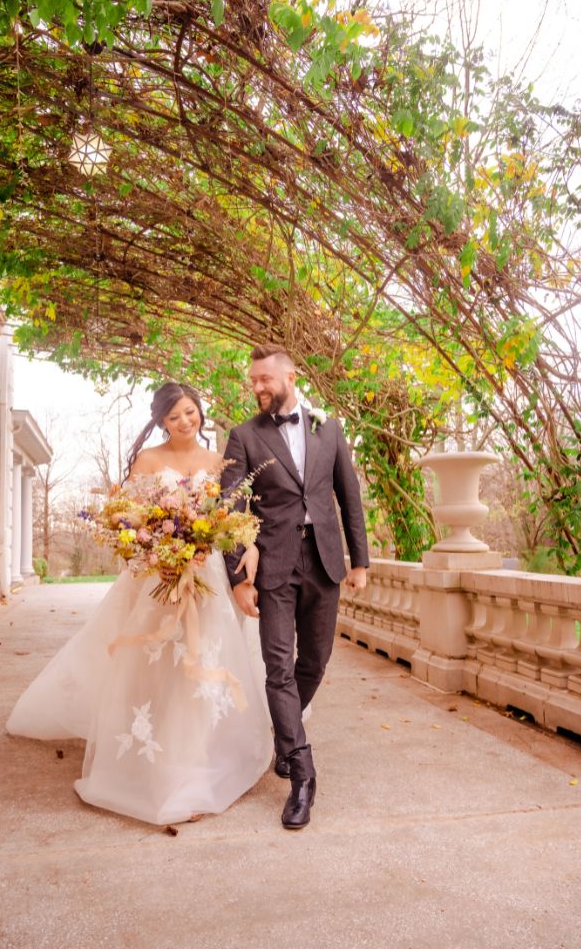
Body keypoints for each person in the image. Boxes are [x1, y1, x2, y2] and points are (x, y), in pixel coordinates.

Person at [6, 383, 273, 826]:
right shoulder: (149, 460)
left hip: (206, 577)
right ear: (161, 422)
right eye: (174, 417)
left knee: (201, 662)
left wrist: (247, 546)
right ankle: (157, 760)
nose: (185, 422)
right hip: (159, 578)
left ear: (199, 411)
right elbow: (129, 517)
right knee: (159, 667)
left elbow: (236, 518)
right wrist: (159, 547)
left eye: (190, 412)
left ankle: (196, 758)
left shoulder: (217, 461)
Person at [222, 344, 369, 830]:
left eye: (265, 378)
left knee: (315, 662)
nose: (259, 387)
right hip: (273, 564)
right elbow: (231, 509)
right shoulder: (243, 436)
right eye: (254, 381)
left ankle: (285, 736)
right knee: (278, 666)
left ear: (290, 375)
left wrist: (360, 561)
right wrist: (240, 577)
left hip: (325, 560)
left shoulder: (330, 428)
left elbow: (348, 497)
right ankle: (302, 774)